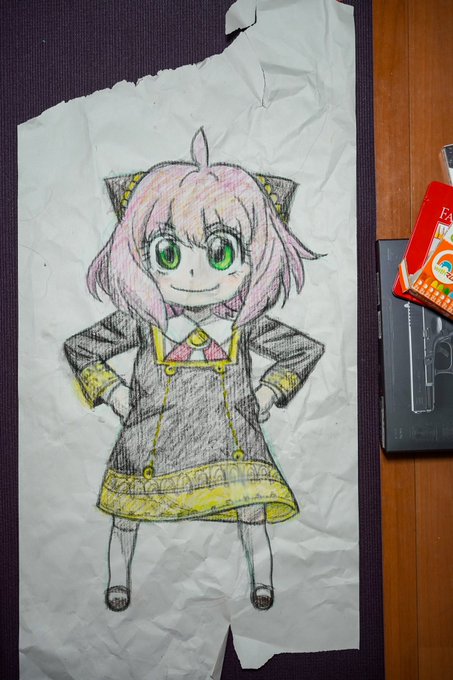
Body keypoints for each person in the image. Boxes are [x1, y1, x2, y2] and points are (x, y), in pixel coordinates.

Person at [64, 128, 324, 613]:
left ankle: (262, 582)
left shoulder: (246, 324)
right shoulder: (143, 322)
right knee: (125, 514)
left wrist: (268, 393)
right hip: (147, 444)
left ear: (256, 258)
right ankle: (118, 581)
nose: (193, 274)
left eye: (221, 253)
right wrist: (114, 392)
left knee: (252, 511)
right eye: (168, 253)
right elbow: (80, 348)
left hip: (234, 446)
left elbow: (302, 351)